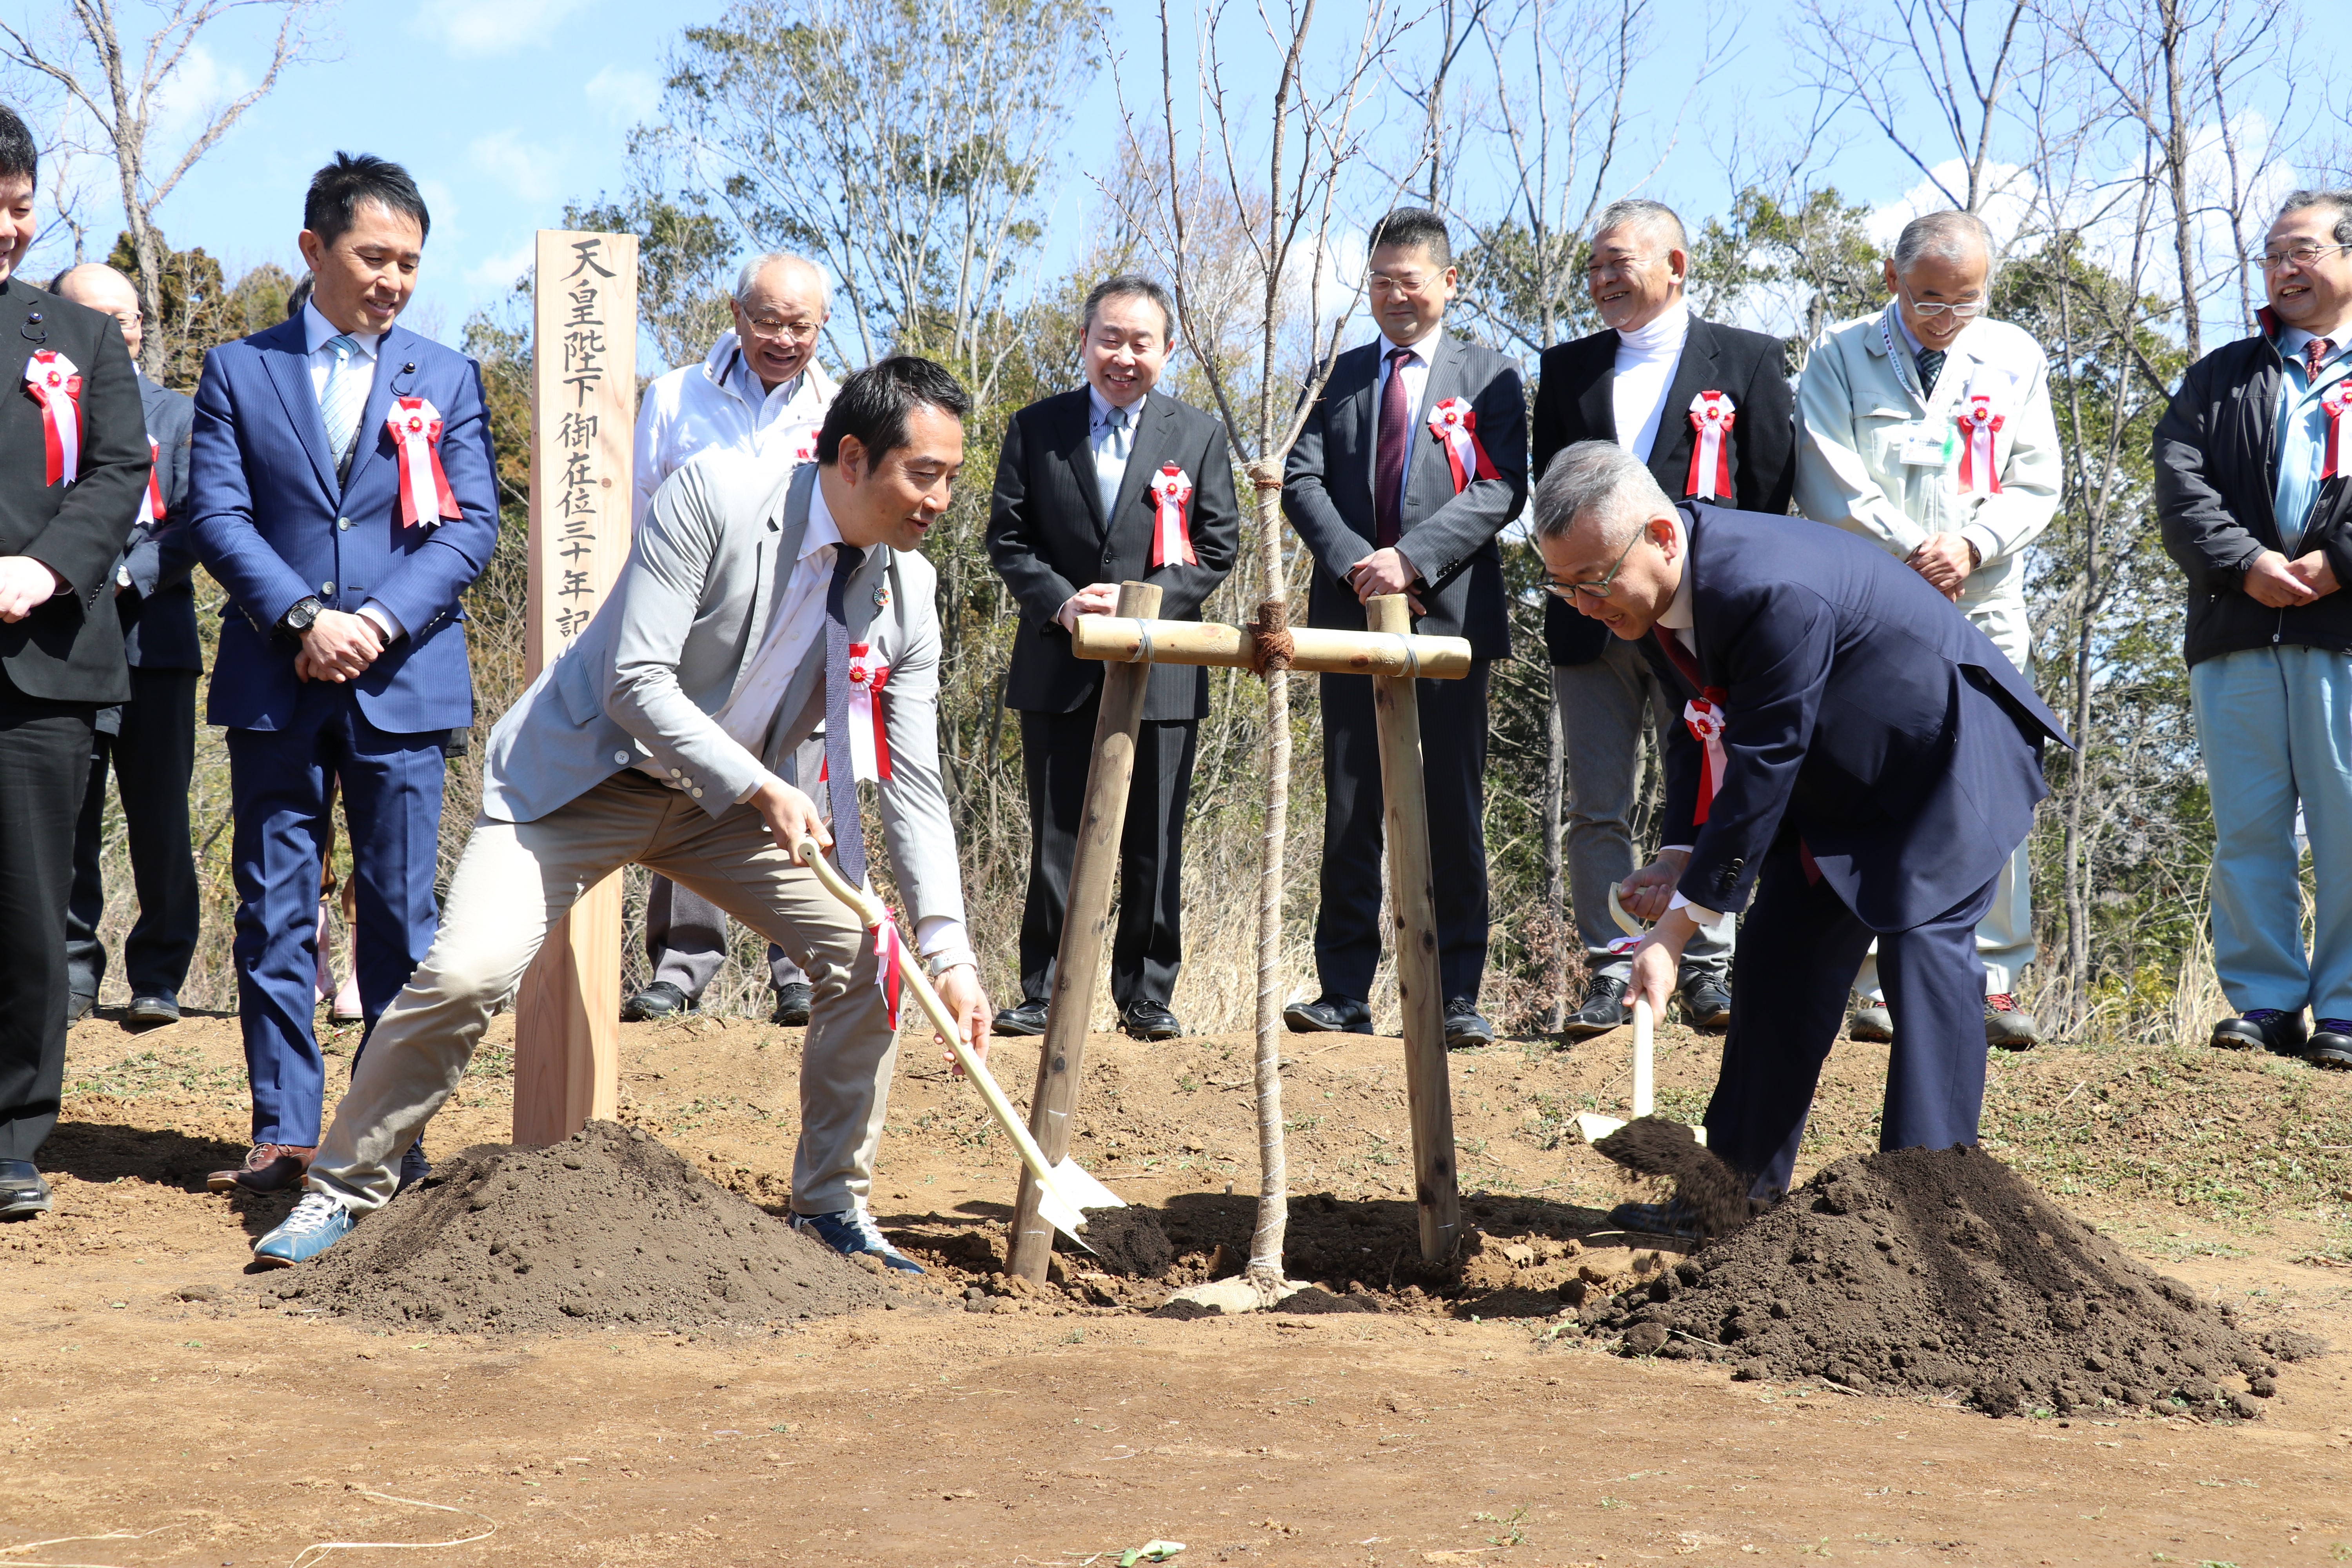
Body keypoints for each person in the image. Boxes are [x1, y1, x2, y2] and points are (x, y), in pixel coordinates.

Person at [250, 357, 994, 1272]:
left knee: (868, 958)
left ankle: (831, 1207)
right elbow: (634, 682)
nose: (941, 499)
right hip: (577, 783)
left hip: (722, 810)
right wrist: (762, 786)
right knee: (468, 972)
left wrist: (949, 953)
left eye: (954, 478)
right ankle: (344, 1188)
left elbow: (913, 778)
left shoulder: (904, 591)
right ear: (852, 458)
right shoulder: (716, 495)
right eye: (926, 473)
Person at [1533, 442, 2065, 1231]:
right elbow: (1699, 728)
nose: (1582, 604)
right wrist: (1683, 851)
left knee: (1921, 954)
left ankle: (1924, 1217)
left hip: (1946, 759)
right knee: (1779, 954)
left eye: (1592, 580)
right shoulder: (1649, 599)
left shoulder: (1767, 586)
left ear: (1661, 535)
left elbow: (1764, 763)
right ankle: (1726, 1202)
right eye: (1562, 585)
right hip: (1838, 779)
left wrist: (1675, 932)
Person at [187, 153, 498, 1196]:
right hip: (278, 681)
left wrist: (372, 622)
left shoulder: (445, 377)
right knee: (275, 909)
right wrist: (302, 618)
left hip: (401, 679)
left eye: (411, 263)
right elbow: (218, 517)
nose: (395, 281)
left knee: (402, 916)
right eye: (375, 256)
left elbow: (468, 531)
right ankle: (285, 1129)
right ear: (315, 250)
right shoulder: (240, 369)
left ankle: (386, 1135)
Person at [1529, 198, 1795, 1041]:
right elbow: (1551, 498)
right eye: (1595, 266)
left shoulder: (1747, 360)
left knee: (1713, 785)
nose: (1604, 278)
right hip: (1590, 621)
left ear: (1676, 265)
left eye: (1621, 262)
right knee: (1597, 800)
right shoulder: (1566, 369)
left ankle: (1706, 960)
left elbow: (1769, 492)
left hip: (1703, 620)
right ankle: (1614, 964)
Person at [1796, 209, 2060, 1051]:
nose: (1946, 316)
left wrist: (1972, 545)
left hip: (1984, 597)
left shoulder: (2014, 358)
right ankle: (1879, 980)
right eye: (1929, 298)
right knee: (1887, 782)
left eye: (1966, 301)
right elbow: (1829, 479)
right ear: (1891, 280)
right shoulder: (1840, 358)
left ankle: (1990, 975)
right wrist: (1915, 548)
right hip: (1879, 602)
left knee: (1997, 779)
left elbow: (2036, 478)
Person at [1282, 207, 1527, 1047]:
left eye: (1408, 280)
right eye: (1379, 280)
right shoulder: (1335, 375)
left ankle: (1457, 995)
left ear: (1448, 283)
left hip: (1452, 622)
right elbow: (1301, 481)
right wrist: (1363, 564)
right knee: (1350, 805)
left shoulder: (1489, 375)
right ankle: (1343, 990)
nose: (1392, 295)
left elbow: (1500, 492)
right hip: (1349, 620)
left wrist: (1413, 560)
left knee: (1451, 810)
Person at [985, 274, 1239, 1041]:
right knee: (1058, 833)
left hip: (1161, 668)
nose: (1123, 356)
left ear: (1168, 350)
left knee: (1154, 838)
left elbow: (1219, 545)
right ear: (1085, 340)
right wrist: (1062, 601)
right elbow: (1009, 537)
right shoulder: (1036, 426)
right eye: (1110, 338)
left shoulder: (1197, 435)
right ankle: (1044, 990)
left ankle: (1147, 993)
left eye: (1141, 342)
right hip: (1059, 660)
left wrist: (1146, 609)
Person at [0, 104, 155, 1221]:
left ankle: (13, 1135)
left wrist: (44, 570)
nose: (9, 229)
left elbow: (116, 472)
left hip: (38, 660)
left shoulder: (78, 338)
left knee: (26, 908)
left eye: (19, 208)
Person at [2156, 189, 2352, 1067]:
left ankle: (2347, 1008)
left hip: (2344, 627)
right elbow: (2179, 484)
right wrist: (2246, 562)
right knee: (2249, 827)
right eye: (2273, 254)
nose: (2283, 268)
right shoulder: (2221, 374)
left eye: (2302, 250)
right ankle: (2268, 1001)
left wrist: (2339, 560)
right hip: (2238, 627)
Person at [623, 252, 840, 1028]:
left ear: (823, 326)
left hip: (798, 627)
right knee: (694, 780)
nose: (784, 339)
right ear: (737, 314)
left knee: (803, 786)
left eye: (801, 325)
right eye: (768, 321)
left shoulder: (840, 406)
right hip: (695, 626)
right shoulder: (678, 394)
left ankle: (802, 966)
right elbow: (641, 504)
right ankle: (682, 965)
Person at [53, 263, 200, 1030]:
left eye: (130, 316)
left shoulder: (181, 415)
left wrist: (125, 576)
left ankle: (161, 973)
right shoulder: (35, 410)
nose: (118, 329)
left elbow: (202, 520)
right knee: (67, 815)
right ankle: (73, 973)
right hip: (57, 641)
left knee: (161, 816)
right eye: (97, 316)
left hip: (156, 644)